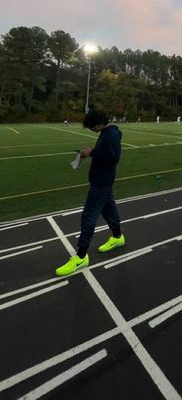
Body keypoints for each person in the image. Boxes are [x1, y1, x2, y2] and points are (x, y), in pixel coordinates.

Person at [55, 110, 125, 276]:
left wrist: (92, 153)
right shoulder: (106, 132)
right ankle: (117, 237)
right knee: (109, 210)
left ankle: (81, 256)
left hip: (101, 183)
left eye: (92, 126)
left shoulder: (111, 134)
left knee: (88, 217)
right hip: (103, 182)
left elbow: (114, 157)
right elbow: (106, 154)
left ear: (100, 123)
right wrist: (91, 151)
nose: (91, 129)